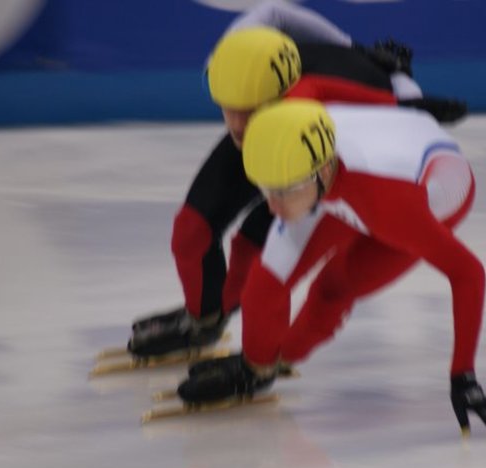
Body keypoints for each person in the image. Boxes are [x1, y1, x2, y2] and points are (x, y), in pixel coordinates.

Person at [128, 9, 467, 357]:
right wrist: (350, 44)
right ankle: (204, 320)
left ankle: (243, 339)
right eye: (228, 107)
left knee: (257, 245)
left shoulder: (346, 97)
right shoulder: (238, 55)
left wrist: (400, 89)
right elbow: (273, 11)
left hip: (319, 136)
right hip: (296, 112)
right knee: (192, 230)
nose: (237, 122)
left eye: (249, 111)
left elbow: (401, 126)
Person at [176, 99, 486, 437]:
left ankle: (285, 358)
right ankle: (259, 367)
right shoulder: (296, 157)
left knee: (333, 287)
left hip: (426, 196)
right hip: (357, 167)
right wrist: (255, 362)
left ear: (323, 171)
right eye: (267, 190)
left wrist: (464, 376)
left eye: (285, 191)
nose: (275, 206)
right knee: (265, 284)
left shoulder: (388, 204)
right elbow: (267, 283)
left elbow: (469, 273)